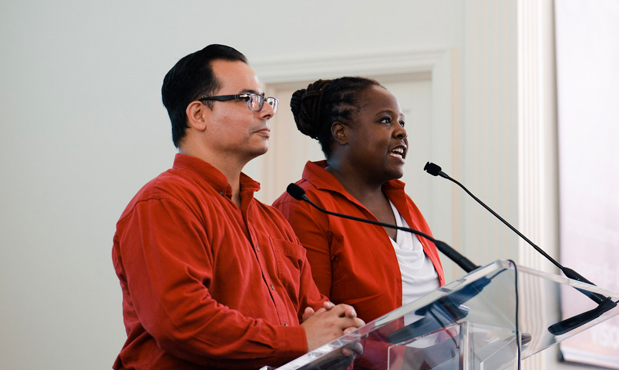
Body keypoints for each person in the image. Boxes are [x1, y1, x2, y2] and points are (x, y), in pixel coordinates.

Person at [111, 45, 363, 370]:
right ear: (198, 115)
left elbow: (313, 312)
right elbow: (181, 321)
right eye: (248, 99)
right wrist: (300, 340)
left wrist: (338, 329)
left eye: (265, 100)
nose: (267, 111)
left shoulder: (271, 219)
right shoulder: (163, 203)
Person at [273, 77, 446, 325]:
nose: (401, 131)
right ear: (341, 132)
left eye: (402, 122)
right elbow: (309, 319)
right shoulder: (304, 207)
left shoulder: (403, 204)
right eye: (385, 120)